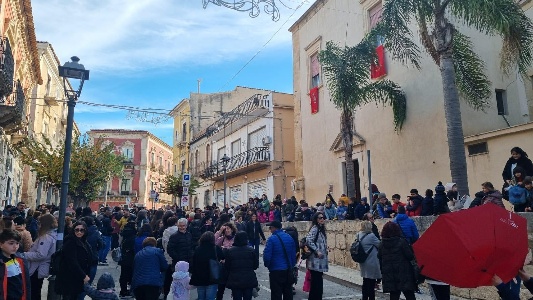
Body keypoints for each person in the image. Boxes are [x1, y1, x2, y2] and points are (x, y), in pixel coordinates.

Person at [378, 222, 416, 300]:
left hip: (390, 273)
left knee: (394, 295)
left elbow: (379, 256)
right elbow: (410, 256)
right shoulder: (401, 242)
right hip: (403, 272)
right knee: (409, 294)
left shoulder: (382, 244)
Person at [25, 214, 57, 300]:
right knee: (35, 291)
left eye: (39, 223)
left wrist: (24, 255)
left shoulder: (45, 237)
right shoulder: (49, 235)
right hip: (38, 268)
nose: (38, 225)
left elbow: (41, 254)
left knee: (34, 292)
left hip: (37, 269)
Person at [57, 221, 92, 300]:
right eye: (77, 230)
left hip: (77, 278)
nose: (79, 232)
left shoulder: (83, 241)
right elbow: (72, 262)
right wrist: (83, 276)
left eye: (81, 230)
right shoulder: (70, 242)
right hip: (69, 278)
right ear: (73, 230)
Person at [263, 220, 296, 300]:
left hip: (276, 270)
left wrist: (268, 265)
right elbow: (293, 255)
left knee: (276, 294)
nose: (270, 230)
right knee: (288, 293)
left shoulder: (271, 239)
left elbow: (267, 256)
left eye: (270, 228)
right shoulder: (289, 237)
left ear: (274, 228)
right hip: (287, 269)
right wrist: (291, 266)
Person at [190, 232, 225, 300]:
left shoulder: (197, 249)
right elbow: (222, 257)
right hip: (212, 277)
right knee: (210, 298)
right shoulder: (215, 248)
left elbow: (193, 263)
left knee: (201, 297)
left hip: (199, 278)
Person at [225, 232, 259, 300]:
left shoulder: (230, 251)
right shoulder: (251, 250)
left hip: (235, 279)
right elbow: (255, 266)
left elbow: (227, 266)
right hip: (248, 279)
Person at [305, 213, 328, 300]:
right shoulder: (315, 229)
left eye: (323, 217)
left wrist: (325, 247)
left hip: (319, 259)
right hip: (315, 259)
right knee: (316, 281)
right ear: (316, 219)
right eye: (320, 218)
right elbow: (309, 240)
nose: (322, 219)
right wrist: (317, 250)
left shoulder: (321, 229)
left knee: (317, 280)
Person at [357, 221, 381, 300]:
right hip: (371, 261)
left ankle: (364, 297)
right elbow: (379, 245)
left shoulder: (358, 234)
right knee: (371, 283)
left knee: (365, 281)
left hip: (363, 261)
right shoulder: (371, 236)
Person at [214, 222, 237, 300]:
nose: (227, 230)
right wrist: (220, 231)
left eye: (228, 228)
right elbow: (213, 241)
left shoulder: (236, 238)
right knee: (221, 287)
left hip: (233, 267)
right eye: (225, 229)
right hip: (224, 268)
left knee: (235, 288)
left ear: (232, 229)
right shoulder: (223, 238)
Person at [119, 220, 136, 298]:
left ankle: (123, 290)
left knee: (123, 276)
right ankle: (127, 291)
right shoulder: (132, 235)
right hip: (130, 258)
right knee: (130, 275)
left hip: (123, 257)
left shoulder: (124, 233)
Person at [162, 217, 179, 298]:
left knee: (168, 276)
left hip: (167, 256)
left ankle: (166, 292)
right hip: (177, 256)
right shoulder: (178, 231)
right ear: (176, 222)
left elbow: (163, 243)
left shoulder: (166, 232)